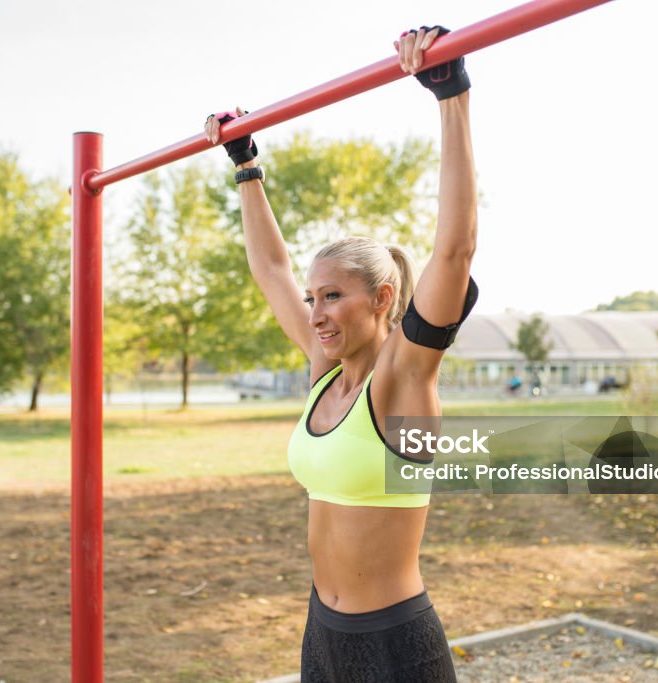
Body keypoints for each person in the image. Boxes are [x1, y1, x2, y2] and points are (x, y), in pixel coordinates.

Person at [205, 25, 476, 682]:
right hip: (322, 635)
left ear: (382, 297)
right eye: (313, 296)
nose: (315, 312)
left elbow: (454, 251)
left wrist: (451, 96)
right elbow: (271, 268)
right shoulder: (325, 369)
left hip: (394, 647)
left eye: (332, 296)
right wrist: (246, 164)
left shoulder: (404, 377)